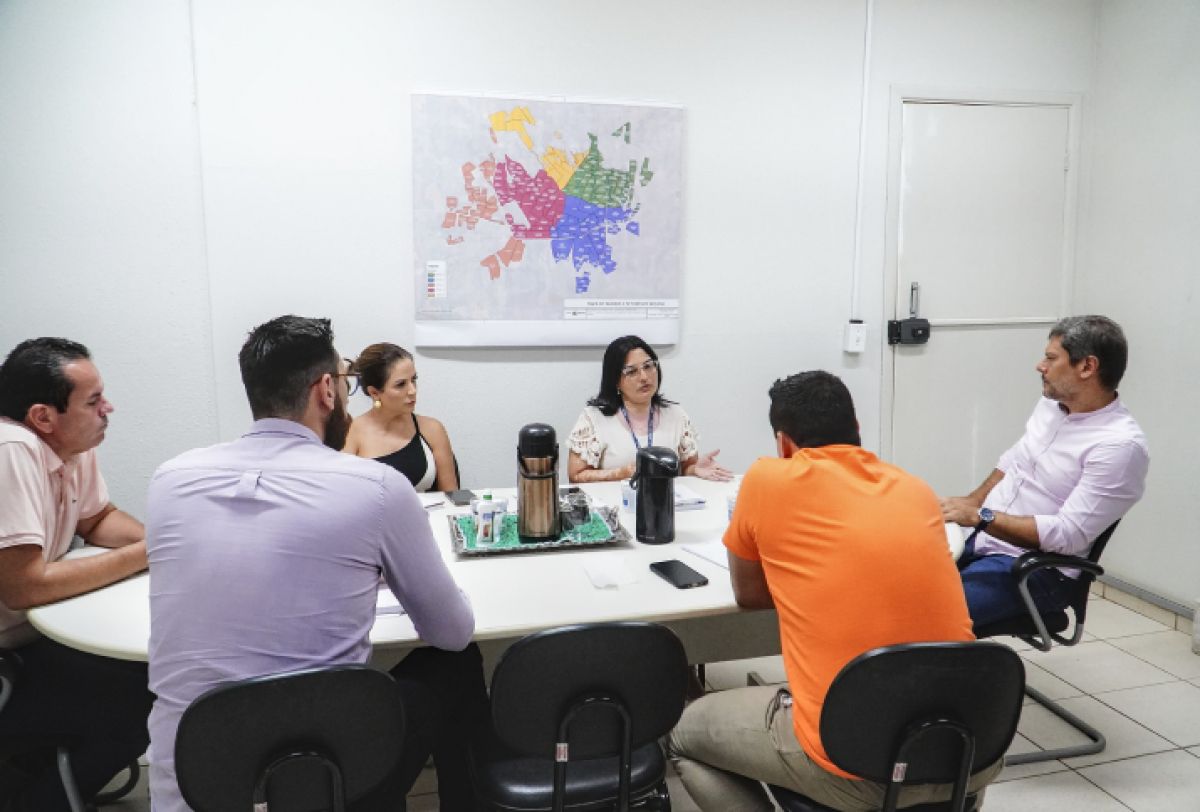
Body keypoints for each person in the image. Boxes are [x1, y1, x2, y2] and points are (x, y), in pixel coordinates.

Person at [144, 316, 487, 812]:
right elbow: (451, 632)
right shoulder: (375, 488)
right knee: (456, 662)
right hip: (323, 780)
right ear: (327, 389)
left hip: (194, 785)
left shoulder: (171, 481)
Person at [667, 371, 1001, 811]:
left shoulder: (767, 480)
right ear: (858, 430)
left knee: (682, 736)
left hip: (857, 767)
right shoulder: (915, 489)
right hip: (969, 754)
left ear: (784, 443)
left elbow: (749, 596)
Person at [0, 338, 152, 812]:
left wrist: (166, 540)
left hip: (36, 638)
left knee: (154, 676)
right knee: (144, 699)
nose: (108, 408)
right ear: (44, 416)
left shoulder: (71, 444)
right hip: (10, 655)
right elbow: (23, 585)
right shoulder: (12, 449)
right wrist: (148, 553)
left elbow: (95, 519)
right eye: (92, 401)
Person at [942, 316, 1149, 628]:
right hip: (981, 538)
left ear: (1087, 367)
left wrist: (981, 517)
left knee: (925, 613)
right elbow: (1013, 460)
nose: (1041, 366)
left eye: (1051, 358)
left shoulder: (1118, 446)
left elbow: (1067, 535)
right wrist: (972, 504)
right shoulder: (1052, 405)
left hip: (1033, 570)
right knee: (884, 580)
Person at [568, 335, 732, 482]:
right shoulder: (594, 418)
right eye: (632, 372)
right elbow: (576, 475)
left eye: (648, 366)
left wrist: (695, 469)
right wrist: (624, 472)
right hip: (614, 508)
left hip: (664, 506)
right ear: (616, 381)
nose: (644, 377)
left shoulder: (675, 415)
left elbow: (684, 469)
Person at [343, 342, 459, 491]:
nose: (412, 391)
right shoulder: (350, 433)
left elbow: (452, 497)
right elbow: (344, 496)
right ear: (374, 392)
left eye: (414, 380)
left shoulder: (431, 429)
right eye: (400, 384)